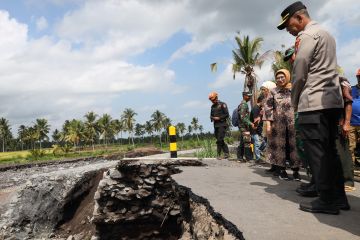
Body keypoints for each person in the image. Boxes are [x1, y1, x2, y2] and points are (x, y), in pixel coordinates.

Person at [278, 1, 349, 214]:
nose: (289, 31)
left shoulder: (307, 36)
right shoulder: (326, 34)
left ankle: (327, 200)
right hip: (331, 101)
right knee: (330, 152)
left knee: (318, 154)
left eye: (289, 25)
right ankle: (339, 198)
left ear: (300, 18)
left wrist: (295, 100)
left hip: (314, 103)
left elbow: (300, 72)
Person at [263, 69, 301, 180]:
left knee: (294, 147)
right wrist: (269, 125)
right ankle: (282, 171)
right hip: (278, 126)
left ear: (287, 77)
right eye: (278, 78)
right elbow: (268, 109)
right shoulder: (273, 92)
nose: (280, 79)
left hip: (293, 124)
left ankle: (296, 171)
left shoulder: (294, 89)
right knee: (280, 148)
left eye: (282, 77)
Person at [209, 92, 230, 159]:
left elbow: (227, 114)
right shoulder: (212, 106)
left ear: (216, 98)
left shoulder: (222, 104)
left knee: (219, 140)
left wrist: (219, 118)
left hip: (222, 124)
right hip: (216, 125)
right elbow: (211, 115)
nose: (212, 101)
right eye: (211, 100)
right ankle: (226, 153)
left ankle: (218, 155)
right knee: (220, 139)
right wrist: (212, 118)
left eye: (213, 99)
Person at [237, 91, 253, 161]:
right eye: (248, 96)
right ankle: (248, 158)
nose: (250, 97)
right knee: (247, 142)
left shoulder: (244, 104)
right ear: (244, 96)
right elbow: (242, 117)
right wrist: (250, 123)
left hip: (243, 126)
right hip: (244, 126)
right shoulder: (244, 105)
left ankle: (240, 157)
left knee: (242, 141)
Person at [349, 69, 360, 169]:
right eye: (359, 77)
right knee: (351, 147)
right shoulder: (351, 90)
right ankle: (350, 169)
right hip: (351, 123)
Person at [250, 95, 266, 163]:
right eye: (264, 102)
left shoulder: (259, 108)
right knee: (257, 143)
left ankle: (259, 153)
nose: (265, 103)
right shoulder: (256, 108)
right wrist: (261, 114)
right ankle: (258, 158)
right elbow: (255, 121)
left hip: (258, 128)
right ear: (261, 101)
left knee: (264, 142)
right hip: (254, 129)